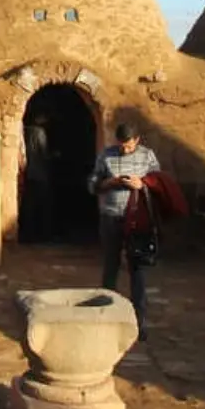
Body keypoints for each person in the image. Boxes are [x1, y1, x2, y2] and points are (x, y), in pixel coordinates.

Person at [88, 123, 160, 340]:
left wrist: (143, 183)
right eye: (122, 146)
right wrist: (108, 182)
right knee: (110, 266)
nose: (125, 150)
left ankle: (139, 322)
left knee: (137, 270)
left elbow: (160, 183)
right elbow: (92, 183)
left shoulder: (148, 156)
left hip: (137, 220)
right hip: (110, 217)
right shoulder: (106, 155)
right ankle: (106, 318)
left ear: (136, 140)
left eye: (129, 146)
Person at [20, 114, 54, 244]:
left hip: (27, 172)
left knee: (29, 205)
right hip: (39, 173)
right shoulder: (39, 132)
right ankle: (43, 235)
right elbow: (43, 152)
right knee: (43, 204)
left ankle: (29, 234)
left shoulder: (24, 130)